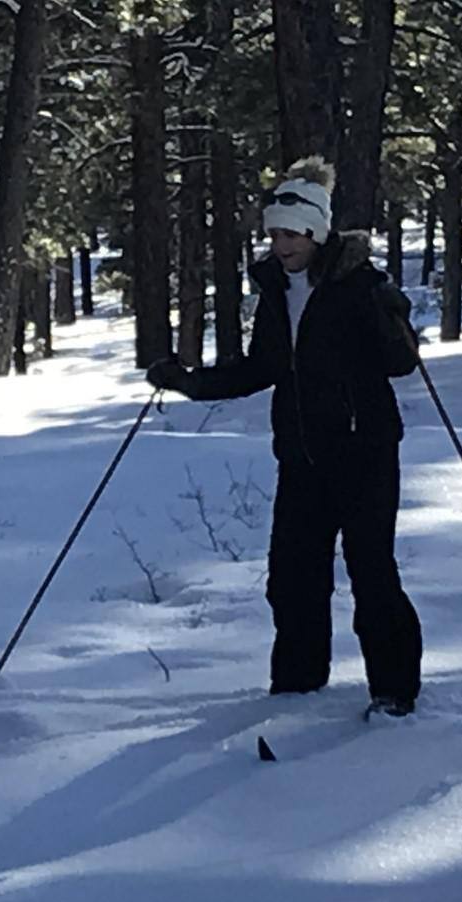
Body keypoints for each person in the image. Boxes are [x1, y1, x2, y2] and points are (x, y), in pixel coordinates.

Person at [147, 156, 424, 718]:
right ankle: (298, 689)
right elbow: (263, 367)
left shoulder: (358, 284)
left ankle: (394, 693)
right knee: (293, 577)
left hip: (365, 451)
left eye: (291, 233)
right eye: (274, 232)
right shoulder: (275, 289)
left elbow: (400, 364)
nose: (281, 243)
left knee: (372, 574)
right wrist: (189, 383)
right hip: (302, 456)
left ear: (317, 232)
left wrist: (392, 317)